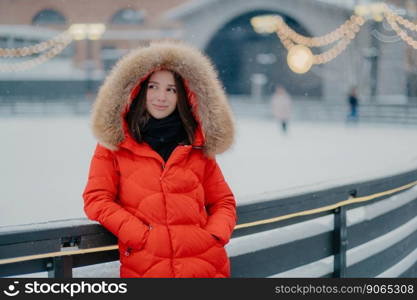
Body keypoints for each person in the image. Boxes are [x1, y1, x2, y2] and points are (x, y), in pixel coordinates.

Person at [82, 41, 237, 278]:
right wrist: (141, 235)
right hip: (147, 267)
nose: (161, 97)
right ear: (138, 90)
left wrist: (214, 236)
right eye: (153, 87)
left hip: (205, 266)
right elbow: (97, 198)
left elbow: (222, 201)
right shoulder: (115, 143)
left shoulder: (196, 142)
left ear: (183, 96)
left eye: (171, 89)